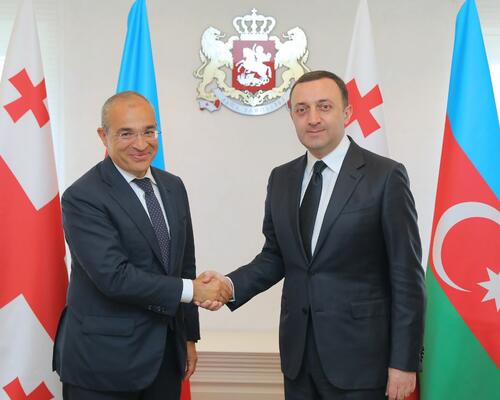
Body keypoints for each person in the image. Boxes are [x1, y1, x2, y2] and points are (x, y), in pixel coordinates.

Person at [201, 71, 426, 400]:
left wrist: (404, 363)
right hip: (299, 360)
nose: (313, 118)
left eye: (324, 106)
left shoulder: (385, 176)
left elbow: (407, 276)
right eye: (302, 109)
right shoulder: (282, 178)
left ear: (346, 113)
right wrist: (228, 286)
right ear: (292, 115)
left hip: (362, 363)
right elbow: (275, 257)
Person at [52, 91, 231, 400]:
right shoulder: (83, 196)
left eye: (149, 131)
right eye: (126, 133)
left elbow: (184, 265)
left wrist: (188, 337)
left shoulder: (173, 186)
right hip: (103, 364)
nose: (141, 143)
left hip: (166, 358)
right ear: (103, 136)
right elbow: (114, 277)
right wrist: (194, 291)